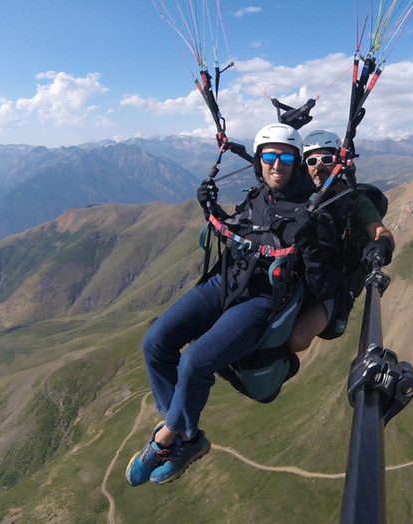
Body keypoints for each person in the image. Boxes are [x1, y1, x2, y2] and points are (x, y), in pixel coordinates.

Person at [125, 123, 340, 487]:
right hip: (225, 282)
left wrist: (314, 243)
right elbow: (240, 227)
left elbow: (323, 284)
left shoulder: (312, 209)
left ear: (296, 163)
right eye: (269, 156)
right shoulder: (259, 195)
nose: (277, 164)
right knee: (155, 343)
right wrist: (209, 206)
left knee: (196, 361)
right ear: (258, 161)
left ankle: (166, 438)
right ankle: (186, 435)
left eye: (286, 157)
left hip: (261, 300)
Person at [285, 129, 395, 351]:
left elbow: (380, 231)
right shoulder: (303, 200)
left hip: (337, 283)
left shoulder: (354, 201)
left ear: (339, 163)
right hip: (305, 274)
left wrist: (381, 245)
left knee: (296, 339)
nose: (318, 166)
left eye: (326, 159)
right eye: (311, 161)